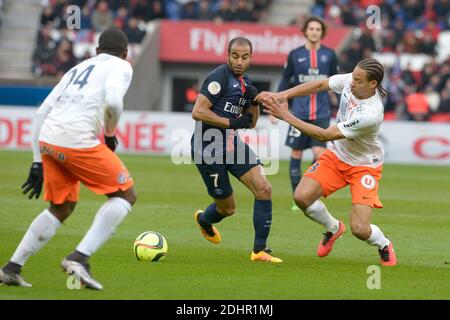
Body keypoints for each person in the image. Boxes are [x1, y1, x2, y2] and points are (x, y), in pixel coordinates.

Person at [0, 28, 136, 289]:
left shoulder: (78, 68)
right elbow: (115, 103)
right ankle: (79, 259)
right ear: (126, 53)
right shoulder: (121, 66)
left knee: (61, 207)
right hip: (76, 139)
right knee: (125, 195)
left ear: (96, 51)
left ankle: (11, 268)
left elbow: (41, 113)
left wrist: (36, 160)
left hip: (49, 139)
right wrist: (109, 135)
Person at [258, 58, 397, 266]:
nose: (351, 82)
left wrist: (286, 115)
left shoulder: (371, 113)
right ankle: (333, 228)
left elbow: (324, 135)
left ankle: (384, 244)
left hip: (365, 166)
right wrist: (282, 94)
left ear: (372, 84)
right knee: (302, 197)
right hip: (337, 156)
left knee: (359, 228)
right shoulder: (353, 79)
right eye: (353, 76)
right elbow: (320, 84)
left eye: (358, 80)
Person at [191, 37, 282, 263]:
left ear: (251, 58)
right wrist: (231, 123)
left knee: (264, 188)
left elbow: (250, 123)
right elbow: (198, 111)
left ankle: (260, 250)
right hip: (208, 150)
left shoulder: (245, 83)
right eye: (235, 56)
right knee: (227, 209)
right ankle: (204, 220)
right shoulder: (219, 77)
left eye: (245, 57)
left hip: (232, 146)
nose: (239, 61)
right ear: (227, 55)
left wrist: (254, 100)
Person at [278, 16, 338, 211]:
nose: (314, 32)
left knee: (320, 155)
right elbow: (285, 80)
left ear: (322, 33)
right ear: (305, 31)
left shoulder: (330, 55)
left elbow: (335, 82)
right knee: (296, 153)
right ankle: (297, 197)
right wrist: (276, 104)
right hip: (299, 113)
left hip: (321, 113)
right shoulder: (295, 55)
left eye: (318, 29)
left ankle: (308, 192)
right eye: (311, 29)